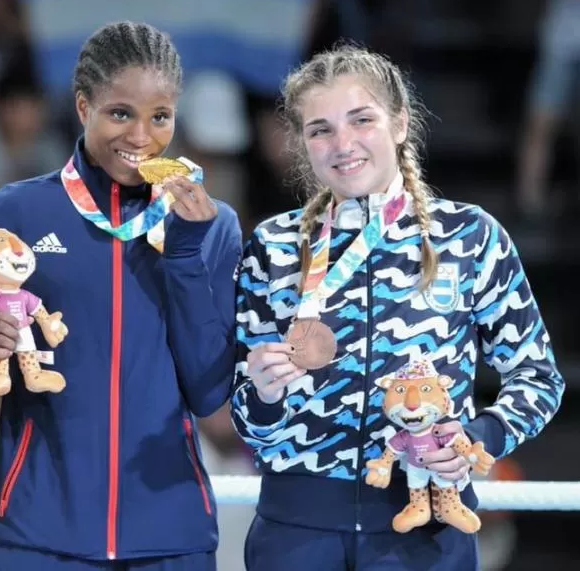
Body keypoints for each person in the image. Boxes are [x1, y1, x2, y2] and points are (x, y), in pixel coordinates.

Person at [231, 44, 564, 570]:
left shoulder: (469, 237)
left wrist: (476, 439)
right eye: (320, 129)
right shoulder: (273, 246)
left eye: (361, 120)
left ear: (401, 124)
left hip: (424, 530)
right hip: (297, 532)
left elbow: (538, 377)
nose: (343, 144)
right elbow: (246, 418)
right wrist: (265, 396)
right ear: (303, 145)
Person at [0, 21, 243, 570]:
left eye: (160, 117)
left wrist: (182, 255)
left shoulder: (212, 226)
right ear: (83, 108)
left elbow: (208, 390)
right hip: (36, 534)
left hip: (169, 538)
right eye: (120, 113)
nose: (141, 137)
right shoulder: (10, 214)